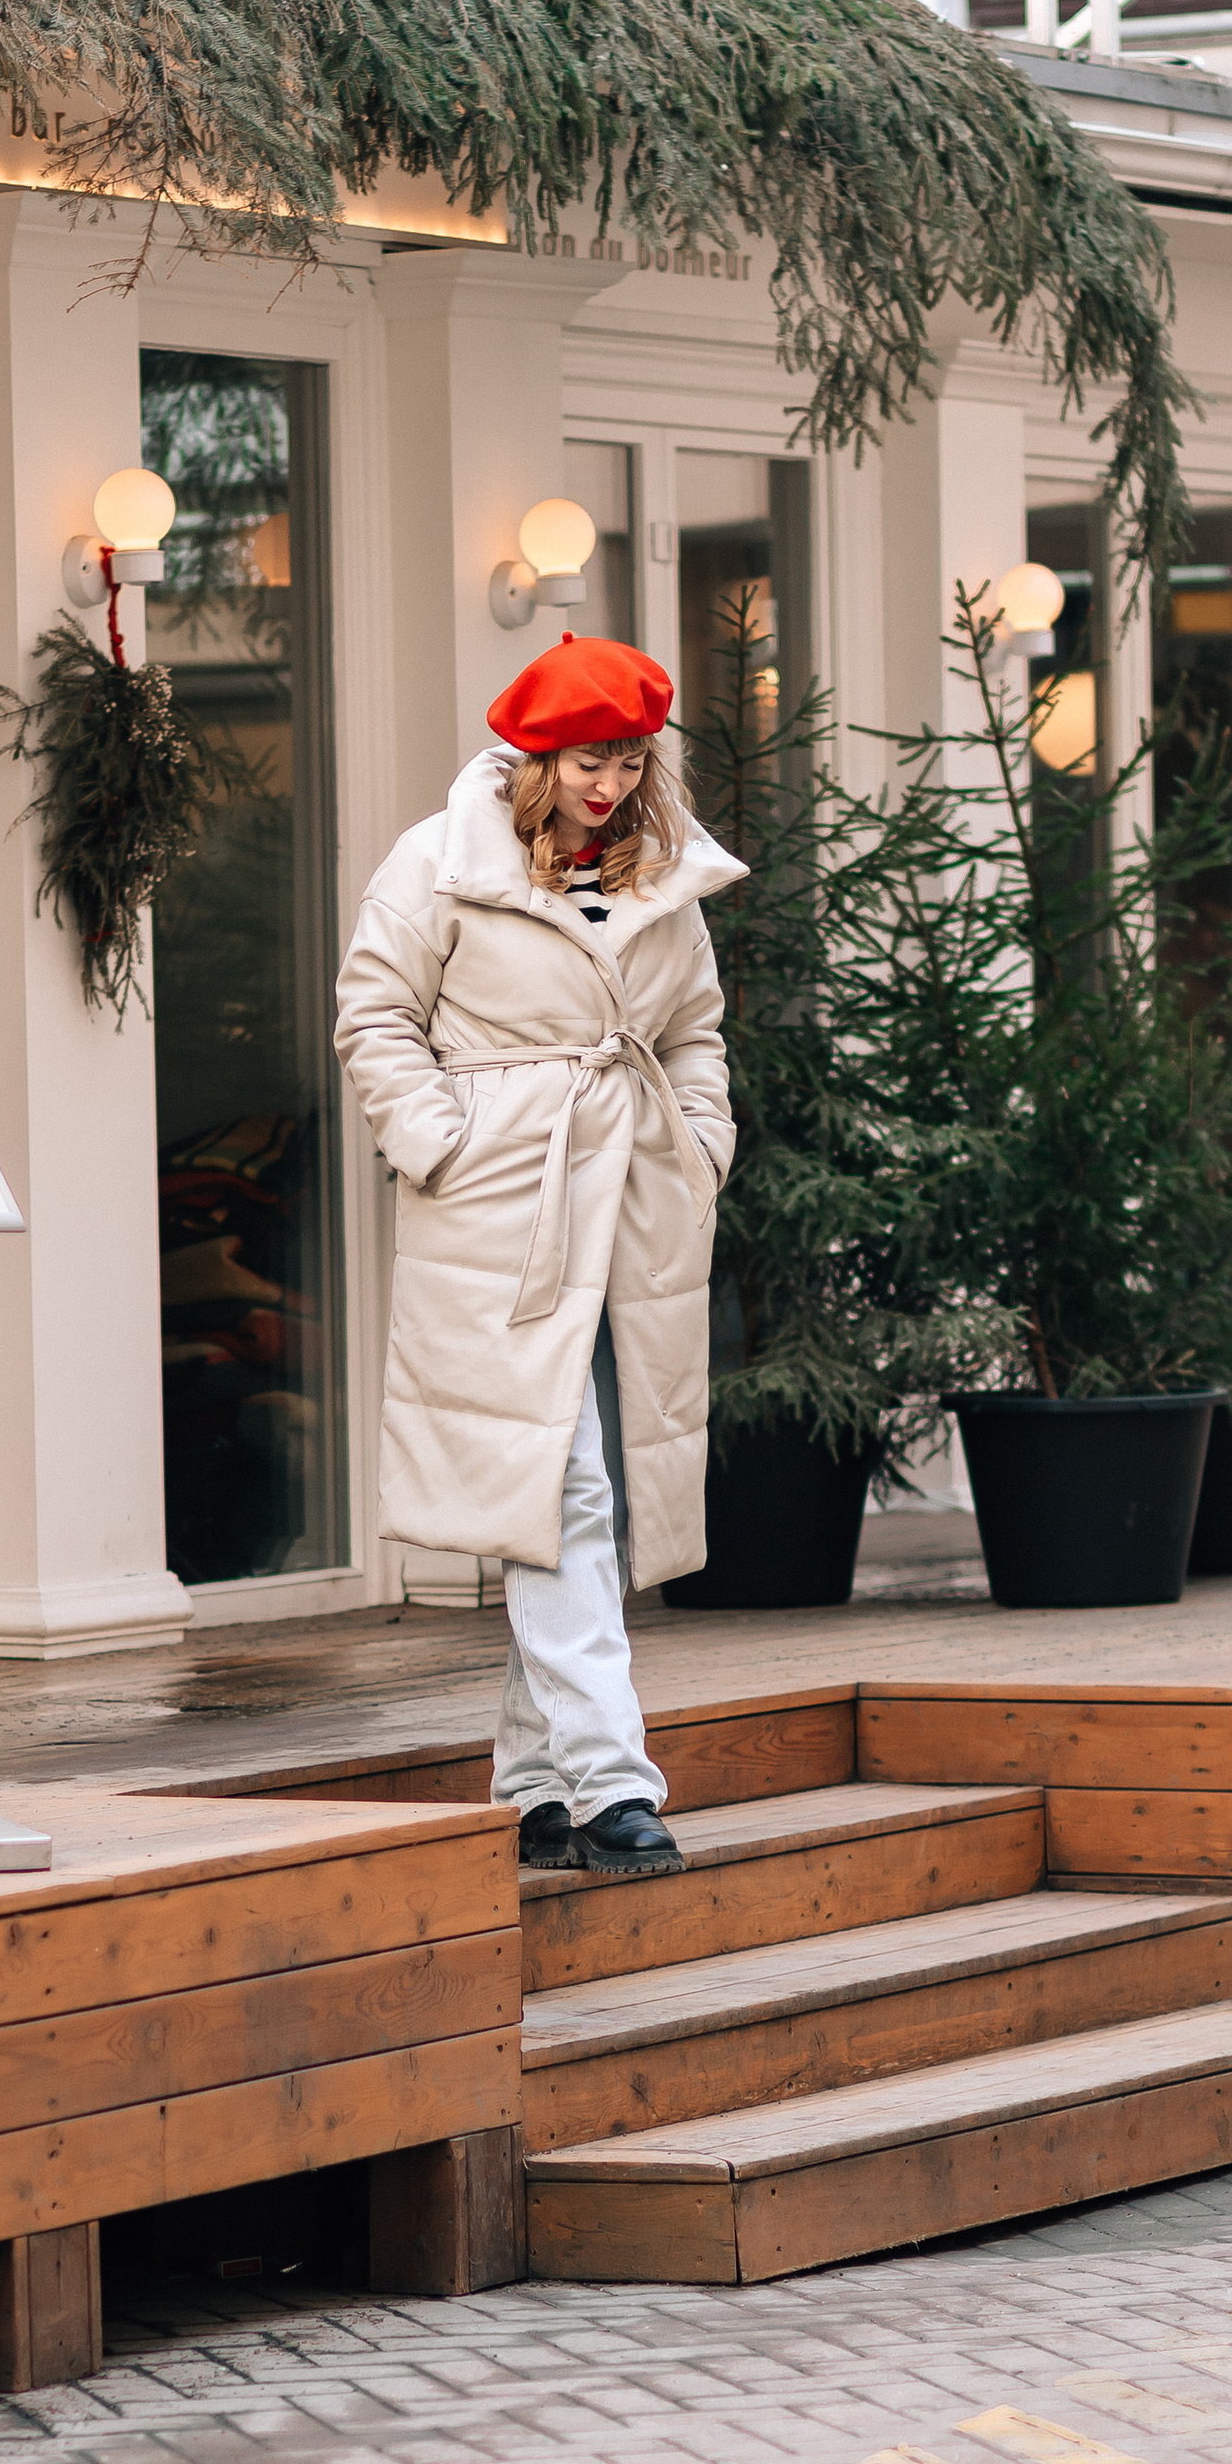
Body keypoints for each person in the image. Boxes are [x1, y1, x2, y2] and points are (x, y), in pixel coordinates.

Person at [333, 634, 745, 1878]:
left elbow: (696, 1032)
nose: (606, 784)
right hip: (500, 1199)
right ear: (532, 756)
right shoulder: (439, 860)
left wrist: (704, 1145)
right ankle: (616, 1782)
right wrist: (439, 1145)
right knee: (562, 1484)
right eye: (582, 760)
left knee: (571, 1483)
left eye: (626, 758)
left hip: (634, 1196)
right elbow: (374, 1015)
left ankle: (530, 1790)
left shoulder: (662, 877)